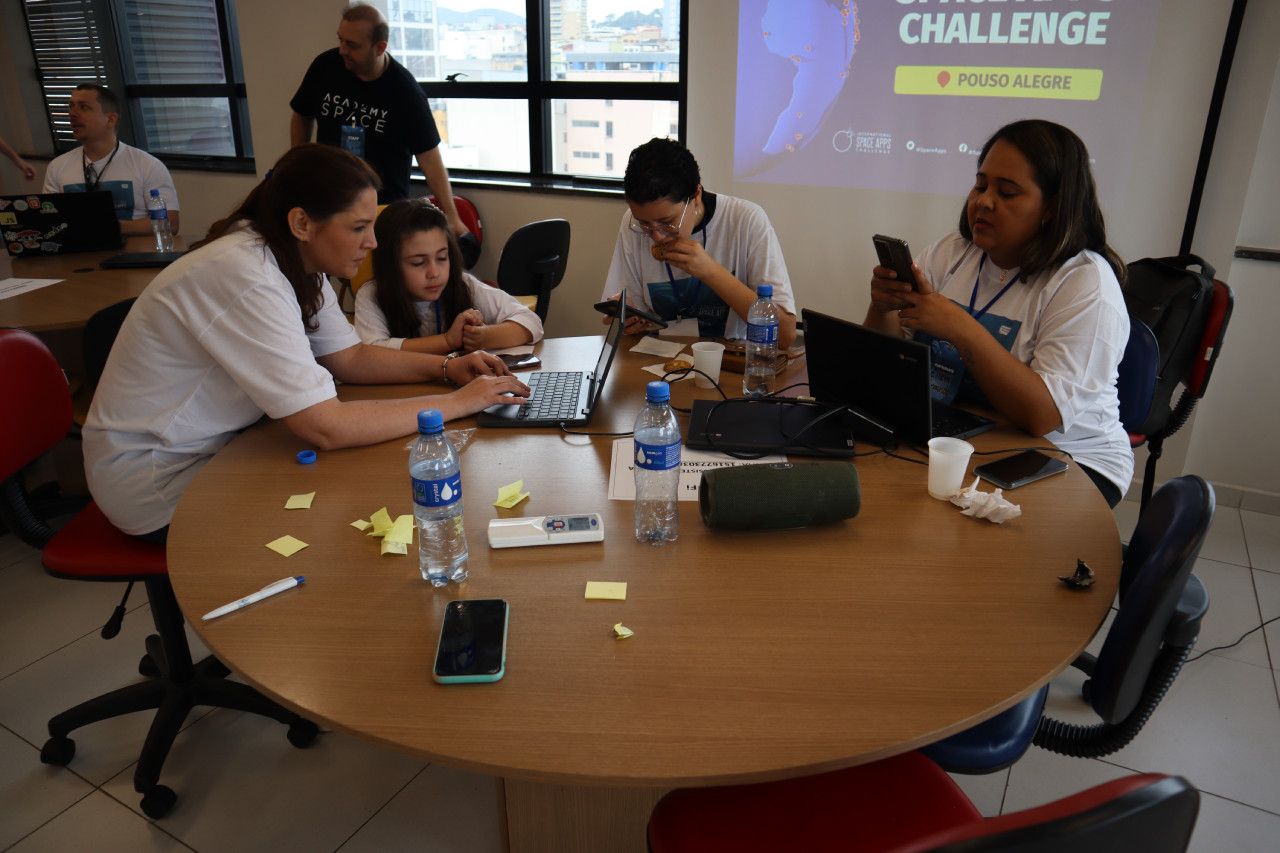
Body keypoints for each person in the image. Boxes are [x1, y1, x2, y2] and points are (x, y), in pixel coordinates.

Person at [82, 145, 529, 541]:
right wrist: (458, 403)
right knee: (345, 510)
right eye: (358, 227)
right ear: (301, 222)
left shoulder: (296, 260)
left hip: (216, 446)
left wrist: (449, 369)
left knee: (367, 480)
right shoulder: (247, 275)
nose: (372, 242)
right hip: (157, 480)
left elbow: (350, 358)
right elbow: (326, 426)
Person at [864, 119, 1132, 507]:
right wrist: (883, 307)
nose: (984, 201)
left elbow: (1042, 416)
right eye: (980, 185)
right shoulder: (952, 253)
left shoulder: (1085, 284)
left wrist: (962, 329)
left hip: (1069, 457)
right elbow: (885, 365)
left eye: (1007, 192)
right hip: (969, 432)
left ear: (1052, 209)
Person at [289, 2, 469, 238]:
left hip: (382, 209)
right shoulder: (326, 66)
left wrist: (452, 217)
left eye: (352, 45)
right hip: (330, 196)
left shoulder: (405, 92)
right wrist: (299, 164)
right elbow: (302, 114)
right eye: (340, 39)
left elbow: (429, 157)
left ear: (380, 47)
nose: (342, 49)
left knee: (375, 272)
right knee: (332, 268)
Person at [602, 137, 798, 348]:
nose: (656, 236)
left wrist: (710, 272)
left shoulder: (746, 221)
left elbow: (785, 335)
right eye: (645, 224)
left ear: (696, 195)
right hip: (660, 360)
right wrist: (629, 318)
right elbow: (633, 323)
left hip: (729, 363)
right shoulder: (632, 224)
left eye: (667, 222)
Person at [354, 199, 542, 353]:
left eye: (442, 258)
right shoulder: (372, 295)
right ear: (390, 265)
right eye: (418, 263)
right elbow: (371, 351)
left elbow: (531, 322)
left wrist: (484, 336)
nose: (434, 273)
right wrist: (446, 341)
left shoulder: (462, 284)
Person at [42, 84, 180, 236]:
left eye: (83, 107)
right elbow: (48, 222)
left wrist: (110, 226)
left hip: (131, 255)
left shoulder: (147, 164)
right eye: (71, 106)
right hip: (77, 255)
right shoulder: (57, 166)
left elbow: (171, 223)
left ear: (111, 119)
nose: (72, 114)